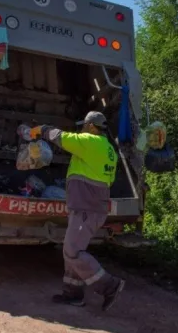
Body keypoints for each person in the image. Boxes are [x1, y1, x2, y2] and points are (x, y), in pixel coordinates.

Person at [18, 111, 125, 310]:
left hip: (86, 206)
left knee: (72, 251)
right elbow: (106, 179)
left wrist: (41, 129)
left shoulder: (89, 141)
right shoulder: (108, 148)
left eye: (84, 125)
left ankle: (110, 286)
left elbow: (61, 137)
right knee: (74, 250)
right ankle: (73, 294)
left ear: (92, 126)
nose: (82, 128)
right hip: (91, 206)